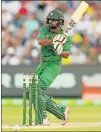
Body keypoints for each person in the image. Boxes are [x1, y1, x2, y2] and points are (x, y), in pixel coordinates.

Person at [26, 9, 72, 126]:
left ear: (60, 22)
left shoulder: (65, 37)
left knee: (38, 89)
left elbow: (66, 55)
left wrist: (59, 49)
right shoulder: (44, 29)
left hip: (53, 65)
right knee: (29, 92)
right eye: (50, 20)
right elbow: (40, 41)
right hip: (42, 63)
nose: (52, 22)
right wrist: (54, 41)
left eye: (54, 20)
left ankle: (43, 119)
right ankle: (61, 112)